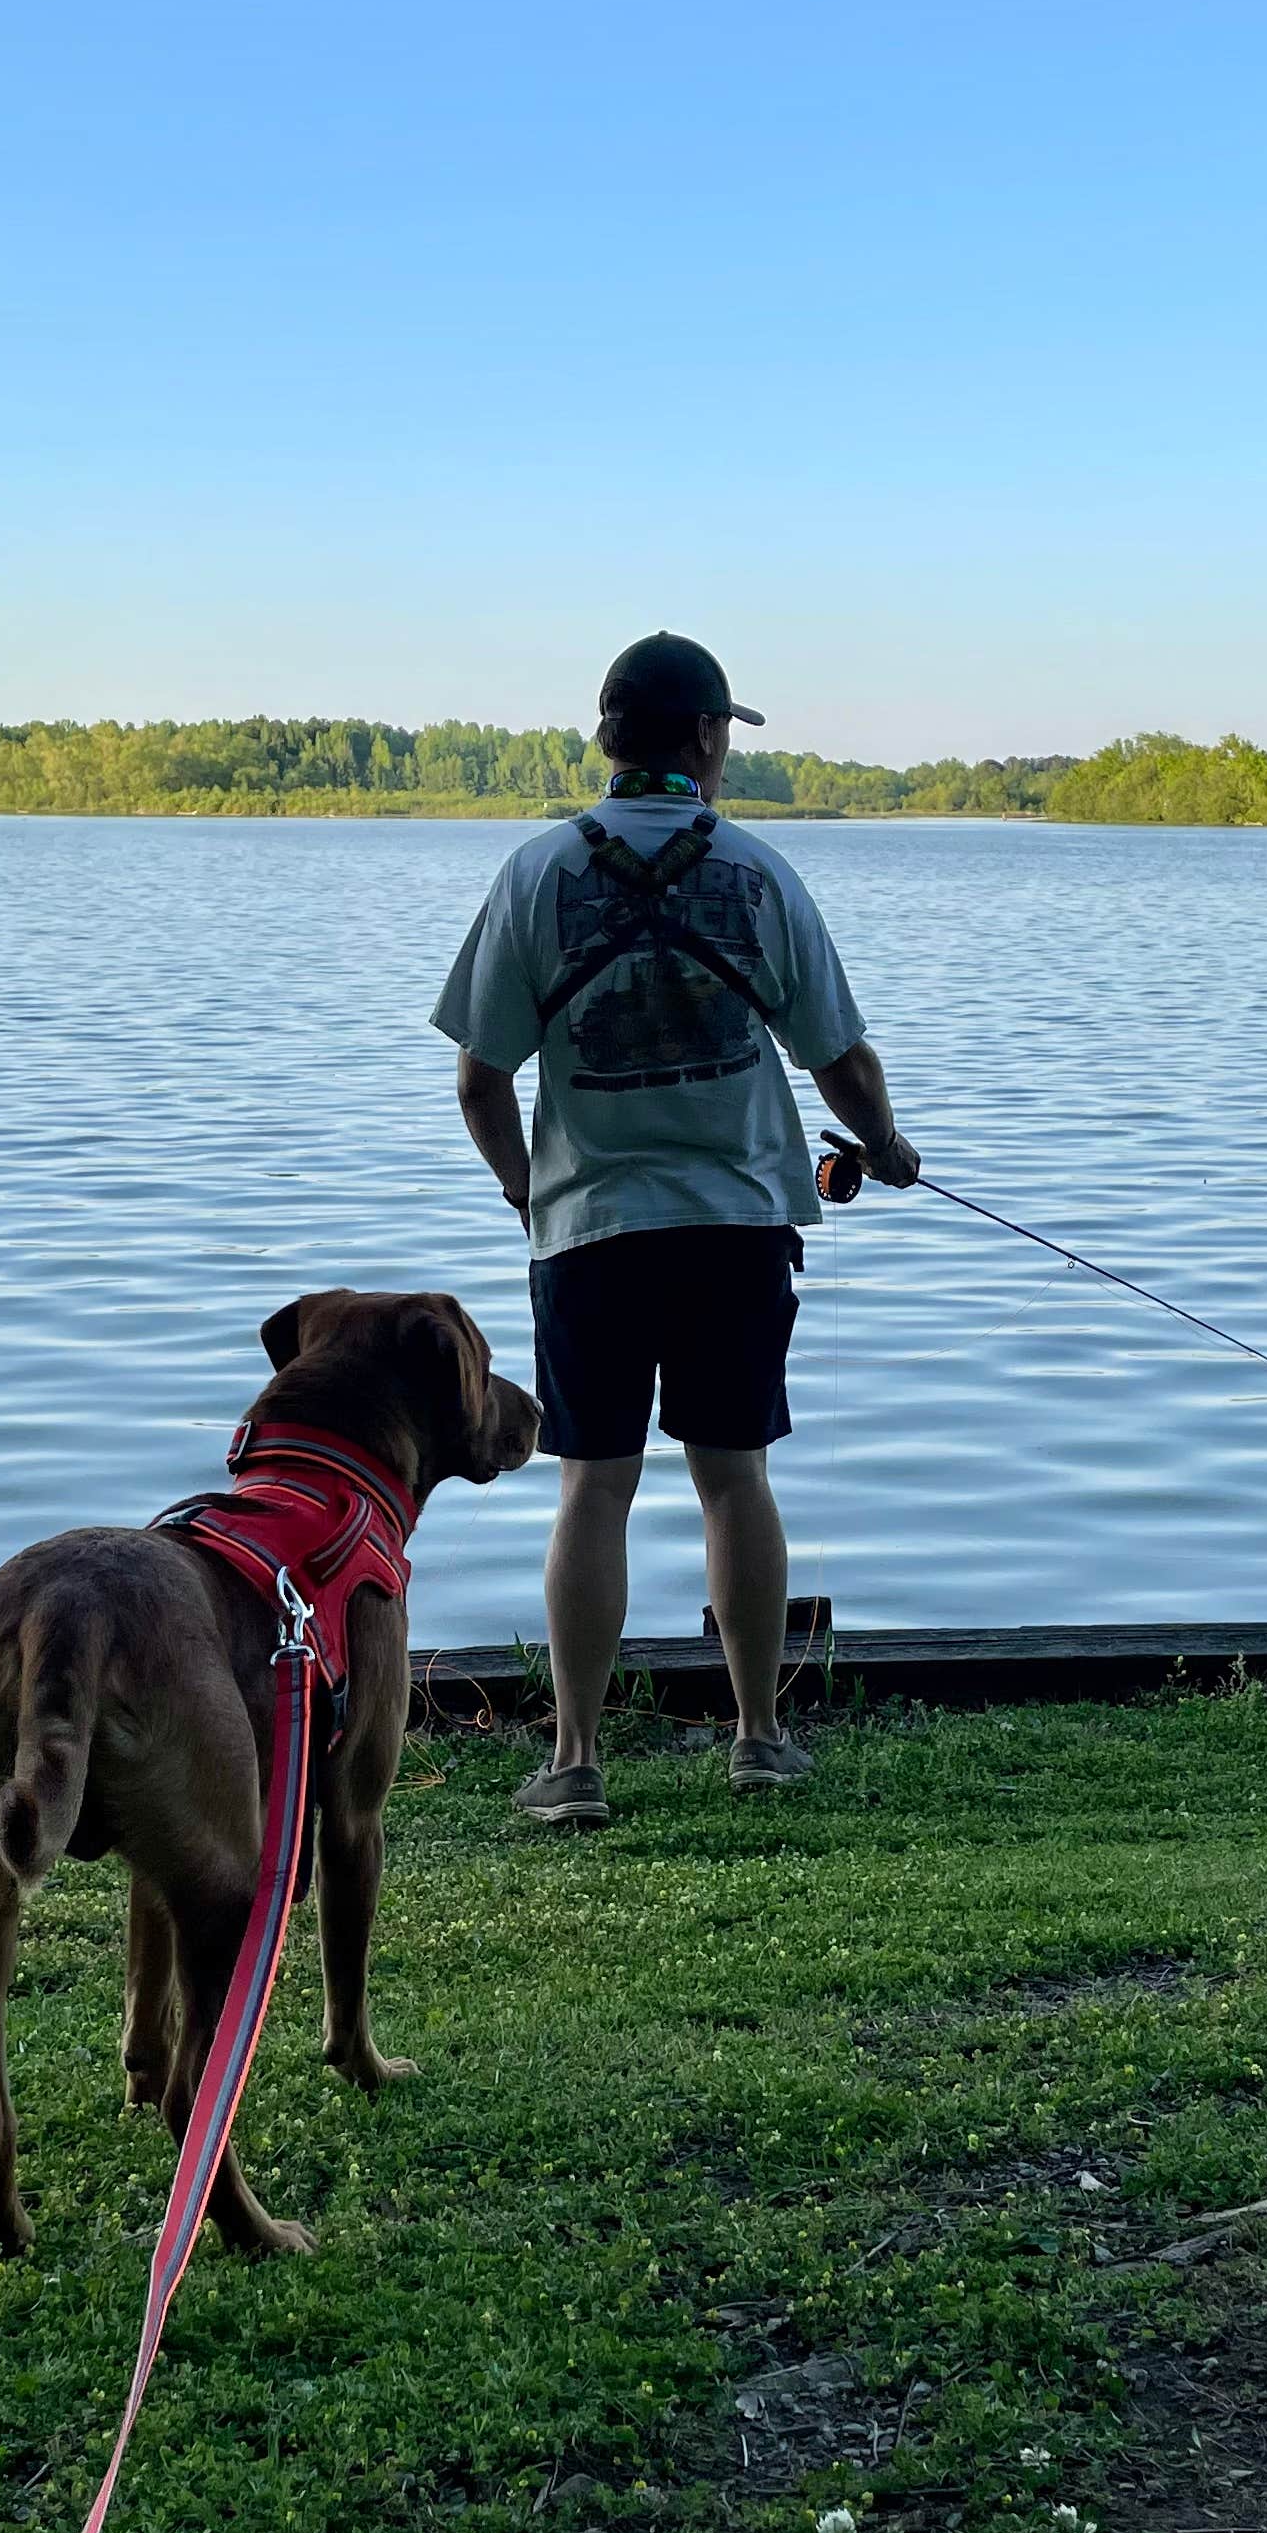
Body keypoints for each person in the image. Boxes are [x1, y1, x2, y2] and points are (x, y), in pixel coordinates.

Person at [432, 631, 920, 1824]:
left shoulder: (536, 874)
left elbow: (478, 1083)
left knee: (593, 1489)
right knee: (732, 1480)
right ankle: (757, 1737)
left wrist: (526, 1191)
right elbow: (841, 1060)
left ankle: (575, 1763)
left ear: (609, 738)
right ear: (704, 737)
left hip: (589, 1233)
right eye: (725, 734)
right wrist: (892, 1152)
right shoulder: (759, 875)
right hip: (736, 1227)